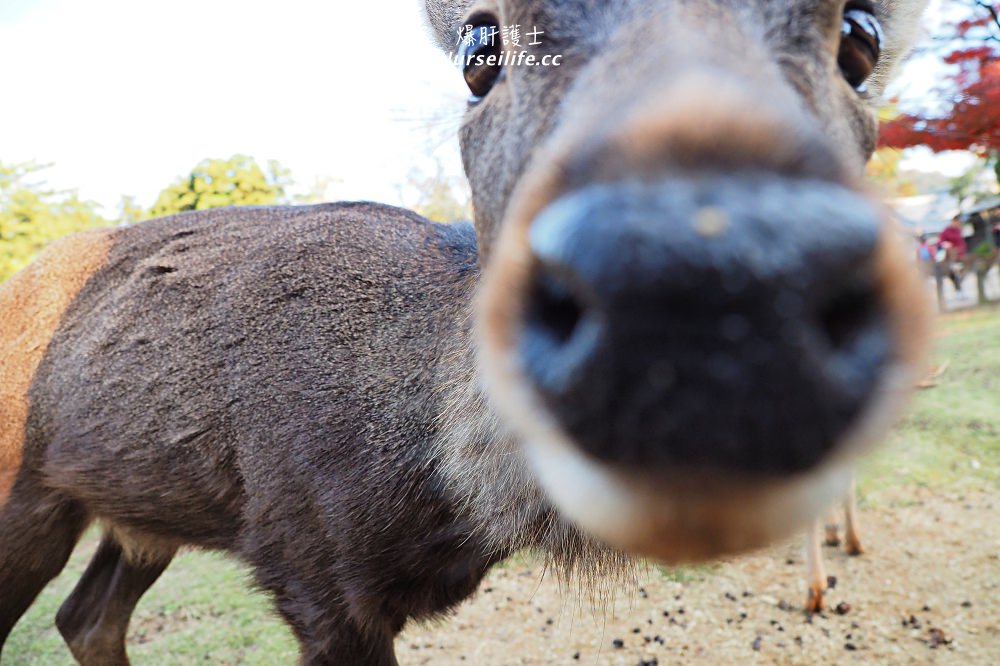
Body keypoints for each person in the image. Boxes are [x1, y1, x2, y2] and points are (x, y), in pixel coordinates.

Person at [937, 216, 967, 292]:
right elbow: (940, 242)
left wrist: (961, 250)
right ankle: (957, 288)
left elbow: (961, 243)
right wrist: (946, 245)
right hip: (949, 255)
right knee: (952, 272)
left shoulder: (959, 230)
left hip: (959, 255)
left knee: (962, 271)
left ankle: (960, 287)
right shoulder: (946, 231)